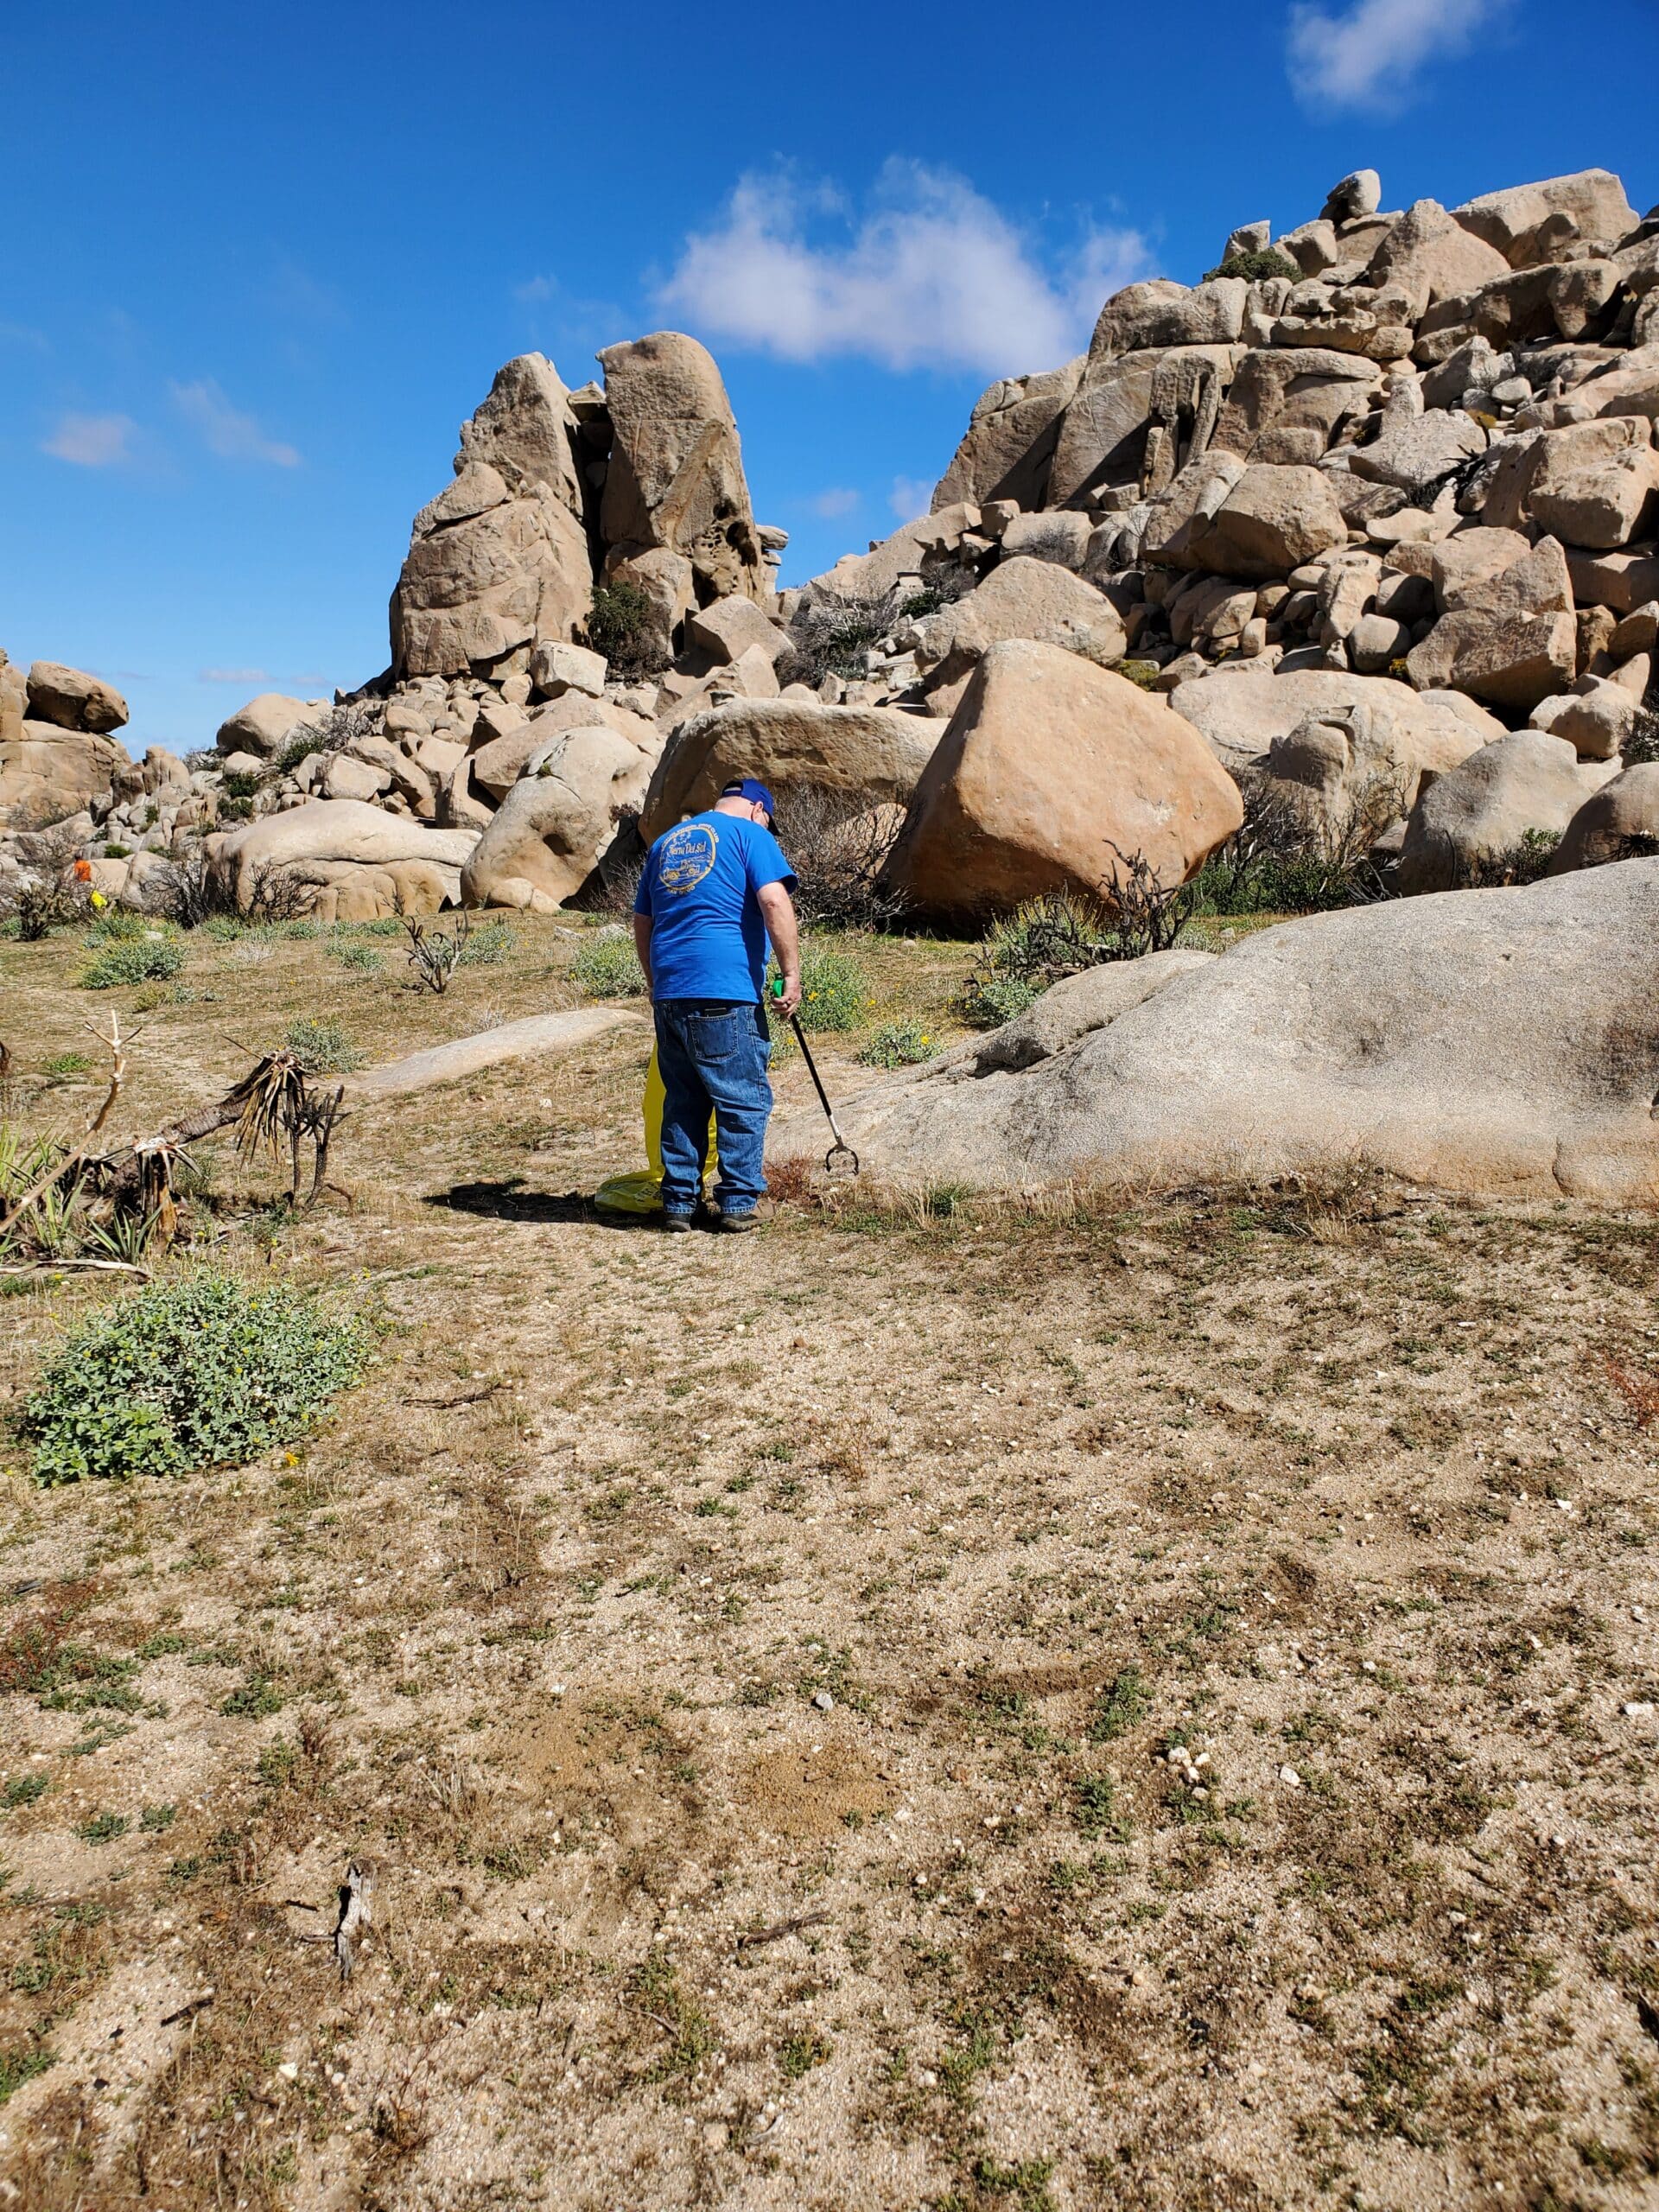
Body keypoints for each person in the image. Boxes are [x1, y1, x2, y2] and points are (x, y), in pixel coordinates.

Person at [632, 778, 801, 1233]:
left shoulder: (667, 842)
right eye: (767, 820)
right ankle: (740, 1202)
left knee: (683, 1100)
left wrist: (655, 983)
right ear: (758, 810)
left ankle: (679, 1204)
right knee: (742, 1099)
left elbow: (643, 921)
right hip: (725, 989)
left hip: (671, 992)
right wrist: (791, 975)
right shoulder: (751, 835)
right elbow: (773, 901)